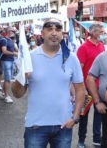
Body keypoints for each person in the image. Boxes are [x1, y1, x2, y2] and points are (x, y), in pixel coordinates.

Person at [11, 18, 85, 148]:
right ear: (42, 32)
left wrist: (75, 117)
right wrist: (21, 77)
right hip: (36, 126)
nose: (54, 33)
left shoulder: (71, 58)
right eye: (49, 29)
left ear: (62, 33)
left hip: (64, 125)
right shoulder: (30, 57)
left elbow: (80, 90)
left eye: (58, 29)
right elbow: (17, 94)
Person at [76, 23, 106, 148]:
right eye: (101, 31)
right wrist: (82, 88)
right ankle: (81, 140)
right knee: (84, 114)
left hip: (99, 86)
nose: (103, 34)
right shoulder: (83, 48)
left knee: (99, 112)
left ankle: (96, 139)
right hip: (87, 87)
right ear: (94, 33)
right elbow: (79, 69)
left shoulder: (102, 46)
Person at [0, 26, 18, 103]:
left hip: (11, 60)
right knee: (7, 79)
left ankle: (3, 92)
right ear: (8, 31)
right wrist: (14, 53)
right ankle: (6, 96)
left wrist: (16, 48)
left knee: (8, 79)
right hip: (6, 61)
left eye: (13, 31)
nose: (13, 32)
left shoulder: (11, 40)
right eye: (12, 31)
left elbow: (15, 49)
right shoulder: (3, 40)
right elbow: (4, 51)